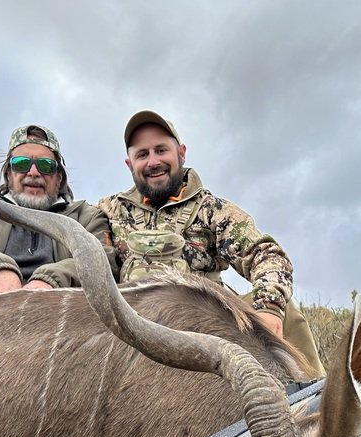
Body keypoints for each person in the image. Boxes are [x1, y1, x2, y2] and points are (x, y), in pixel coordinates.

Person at [97, 111, 325, 377]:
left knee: (289, 315)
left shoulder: (212, 210)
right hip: (130, 326)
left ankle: (314, 400)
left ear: (181, 153)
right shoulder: (110, 210)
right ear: (129, 163)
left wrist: (269, 309)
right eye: (142, 154)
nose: (153, 161)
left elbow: (267, 255)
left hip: (203, 327)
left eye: (161, 150)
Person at [0, 124, 116, 308]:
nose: (33, 173)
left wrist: (50, 280)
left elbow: (103, 257)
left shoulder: (86, 216)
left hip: (59, 311)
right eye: (22, 164)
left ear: (59, 177)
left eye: (45, 165)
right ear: (9, 174)